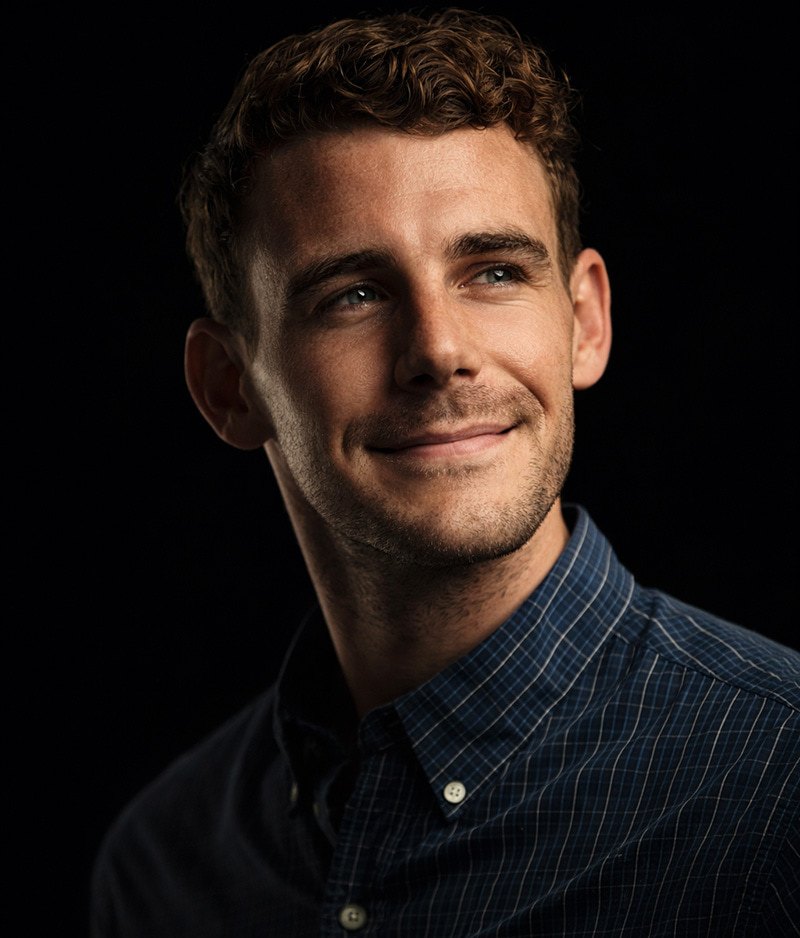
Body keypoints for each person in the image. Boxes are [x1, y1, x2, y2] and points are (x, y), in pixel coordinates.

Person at [91, 8, 800, 936]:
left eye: (496, 272)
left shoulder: (777, 789)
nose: (439, 349)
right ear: (229, 386)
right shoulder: (165, 868)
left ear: (583, 320)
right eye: (353, 294)